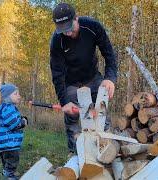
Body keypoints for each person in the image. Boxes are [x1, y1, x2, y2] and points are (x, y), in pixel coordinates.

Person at [50, 3, 118, 153]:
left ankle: (106, 151)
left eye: (69, 27)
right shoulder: (57, 40)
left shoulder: (93, 27)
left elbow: (109, 54)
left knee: (101, 113)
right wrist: (64, 102)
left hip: (93, 78)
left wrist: (110, 78)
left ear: (76, 18)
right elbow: (57, 73)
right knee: (72, 118)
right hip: (71, 83)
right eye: (62, 30)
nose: (67, 33)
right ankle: (75, 154)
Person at [0, 83, 28, 179]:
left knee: (7, 161)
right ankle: (10, 175)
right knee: (13, 160)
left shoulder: (2, 108)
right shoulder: (8, 108)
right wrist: (23, 122)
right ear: (7, 97)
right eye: (16, 94)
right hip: (10, 143)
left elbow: (3, 119)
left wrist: (20, 118)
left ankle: (7, 171)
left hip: (4, 144)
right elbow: (14, 124)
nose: (19, 96)